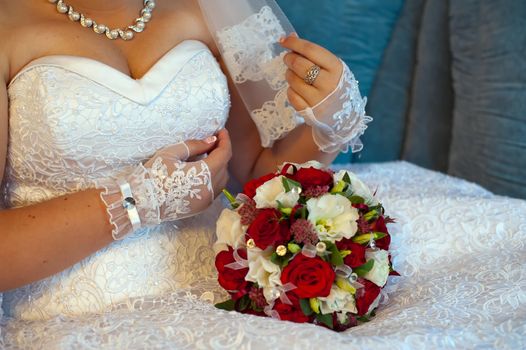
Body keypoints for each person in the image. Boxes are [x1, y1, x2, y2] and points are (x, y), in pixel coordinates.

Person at [0, 0, 368, 323]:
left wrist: (331, 125)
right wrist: (141, 200)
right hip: (76, 318)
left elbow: (260, 175)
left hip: (226, 298)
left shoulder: (209, 8)